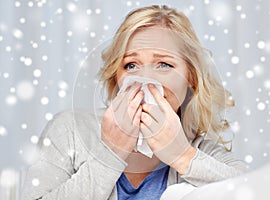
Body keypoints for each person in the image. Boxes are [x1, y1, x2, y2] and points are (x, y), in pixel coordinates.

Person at [22, 5, 247, 200]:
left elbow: (254, 191)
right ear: (116, 77)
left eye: (164, 64)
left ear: (190, 78)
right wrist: (110, 154)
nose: (146, 79)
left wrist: (182, 156)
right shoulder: (69, 130)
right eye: (131, 65)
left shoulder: (202, 151)